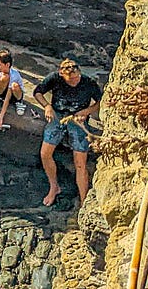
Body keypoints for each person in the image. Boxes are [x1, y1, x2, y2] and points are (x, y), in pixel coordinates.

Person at [34, 59, 102, 206]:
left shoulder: (88, 83)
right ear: (62, 75)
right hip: (58, 115)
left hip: (78, 119)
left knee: (80, 162)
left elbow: (100, 101)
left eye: (76, 77)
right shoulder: (55, 78)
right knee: (45, 153)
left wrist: (87, 111)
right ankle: (54, 187)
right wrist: (47, 106)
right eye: (70, 79)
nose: (74, 81)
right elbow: (37, 92)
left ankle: (83, 200)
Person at [0, 49, 26, 129]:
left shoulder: (14, 75)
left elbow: (8, 97)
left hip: (14, 94)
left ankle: (19, 102)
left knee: (15, 85)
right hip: (4, 92)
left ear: (7, 65)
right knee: (3, 78)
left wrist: (0, 118)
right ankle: (0, 96)